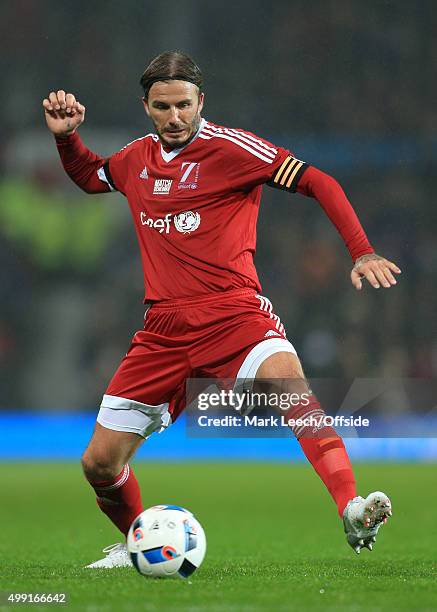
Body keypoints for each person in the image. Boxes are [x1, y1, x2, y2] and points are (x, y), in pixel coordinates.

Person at [43, 51, 397, 569]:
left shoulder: (232, 149)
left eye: (184, 105)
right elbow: (92, 177)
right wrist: (66, 138)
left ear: (200, 101)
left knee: (289, 384)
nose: (175, 117)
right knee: (99, 463)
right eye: (163, 107)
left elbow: (319, 181)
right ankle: (134, 542)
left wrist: (361, 250)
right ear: (146, 106)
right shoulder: (136, 158)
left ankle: (351, 506)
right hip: (162, 330)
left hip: (235, 315)